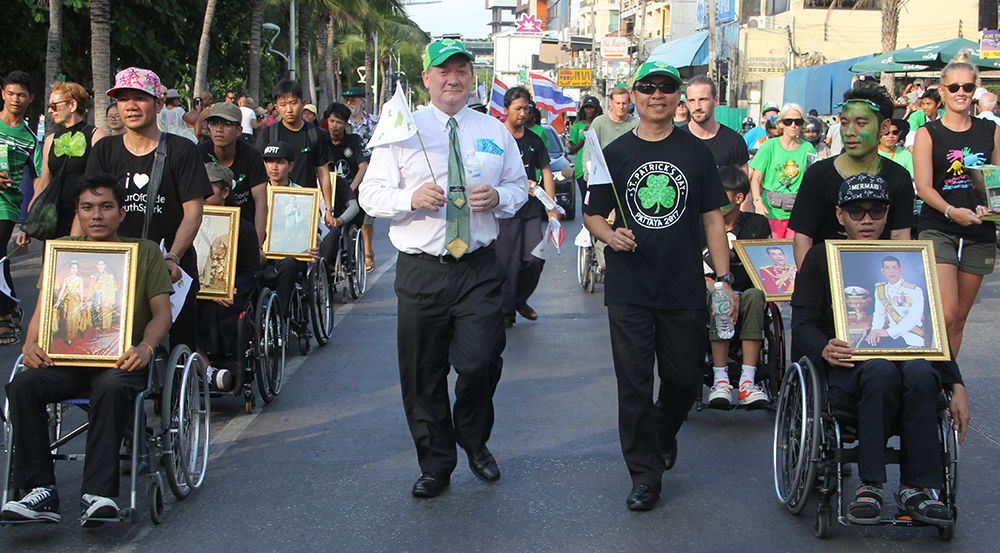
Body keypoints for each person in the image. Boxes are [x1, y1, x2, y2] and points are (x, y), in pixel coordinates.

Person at [358, 39, 527, 498]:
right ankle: (435, 463)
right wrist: (407, 199)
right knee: (422, 372)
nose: (453, 79)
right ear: (426, 79)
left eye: (461, 70)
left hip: (477, 268)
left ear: (472, 78)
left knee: (480, 362)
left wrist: (499, 197)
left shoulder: (494, 131)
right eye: (443, 71)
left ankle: (473, 438)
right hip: (421, 270)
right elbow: (369, 195)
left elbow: (519, 188)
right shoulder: (400, 130)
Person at [583, 61, 736, 511]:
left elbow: (713, 218)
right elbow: (592, 213)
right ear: (635, 94)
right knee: (633, 384)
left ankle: (662, 433)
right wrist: (611, 235)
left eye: (667, 88)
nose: (657, 95)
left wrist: (723, 280)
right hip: (630, 284)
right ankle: (645, 475)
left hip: (683, 284)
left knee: (684, 381)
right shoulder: (614, 152)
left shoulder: (695, 153)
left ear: (678, 98)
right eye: (648, 87)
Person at [790, 173, 969, 527]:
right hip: (850, 370)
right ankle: (869, 484)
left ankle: (915, 488)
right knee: (880, 370)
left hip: (907, 362)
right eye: (857, 212)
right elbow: (803, 324)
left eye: (876, 211)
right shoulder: (819, 258)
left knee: (920, 372)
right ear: (840, 215)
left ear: (888, 214)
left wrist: (957, 384)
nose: (867, 220)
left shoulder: (909, 258)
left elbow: (932, 326)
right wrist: (824, 347)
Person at [1, 173, 173, 526]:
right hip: (67, 360)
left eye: (106, 207)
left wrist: (144, 347)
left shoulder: (144, 252)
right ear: (77, 213)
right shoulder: (63, 251)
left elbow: (162, 314)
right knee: (23, 386)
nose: (97, 216)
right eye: (87, 208)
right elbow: (42, 312)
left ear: (121, 213)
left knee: (110, 388)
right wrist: (31, 345)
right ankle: (39, 490)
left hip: (120, 362)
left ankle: (98, 493)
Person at [86, 67, 213, 353]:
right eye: (123, 99)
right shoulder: (104, 150)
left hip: (171, 268)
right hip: (116, 267)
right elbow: (86, 210)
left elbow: (193, 212)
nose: (130, 106)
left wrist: (174, 257)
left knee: (182, 346)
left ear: (158, 103)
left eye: (140, 98)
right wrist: (79, 254)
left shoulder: (183, 150)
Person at [913, 54, 1000, 356]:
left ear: (976, 89)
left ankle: (949, 385)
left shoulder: (990, 130)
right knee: (945, 313)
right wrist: (951, 211)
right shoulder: (928, 133)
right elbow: (923, 186)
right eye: (954, 87)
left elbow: (996, 182)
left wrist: (993, 206)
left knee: (960, 318)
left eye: (967, 86)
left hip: (979, 229)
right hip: (940, 226)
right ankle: (930, 377)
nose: (961, 92)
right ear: (942, 90)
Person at [789, 87, 915, 267]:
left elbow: (901, 237)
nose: (849, 132)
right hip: (826, 277)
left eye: (861, 123)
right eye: (845, 123)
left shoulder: (898, 177)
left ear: (885, 126)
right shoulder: (817, 175)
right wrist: (810, 282)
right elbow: (803, 237)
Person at [704, 166, 771, 408]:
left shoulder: (757, 225)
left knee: (754, 296)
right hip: (710, 292)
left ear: (739, 197)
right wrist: (719, 288)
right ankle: (720, 380)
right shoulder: (702, 225)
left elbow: (767, 265)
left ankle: (747, 382)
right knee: (721, 296)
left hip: (749, 293)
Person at [194, 162, 265, 392]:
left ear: (225, 192)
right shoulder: (186, 223)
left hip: (230, 290)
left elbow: (252, 271)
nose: (202, 195)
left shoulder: (242, 229)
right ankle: (205, 369)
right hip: (195, 289)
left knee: (223, 310)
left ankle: (215, 368)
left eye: (209, 189)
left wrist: (230, 287)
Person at [496, 86, 558, 327]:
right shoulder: (497, 138)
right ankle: (505, 312)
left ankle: (519, 299)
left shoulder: (534, 140)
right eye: (518, 108)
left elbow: (546, 171)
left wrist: (551, 207)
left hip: (531, 209)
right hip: (504, 210)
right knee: (507, 264)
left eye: (526, 108)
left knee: (536, 257)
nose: (523, 113)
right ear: (506, 109)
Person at [19, 80, 107, 243]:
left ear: (72, 105)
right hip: (55, 213)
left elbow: (103, 182)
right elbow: (43, 182)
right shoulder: (51, 140)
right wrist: (28, 222)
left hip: (86, 215)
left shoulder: (96, 135)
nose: (50, 110)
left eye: (54, 106)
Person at [255, 80, 334, 234]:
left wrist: (329, 209)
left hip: (306, 207)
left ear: (302, 103)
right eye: (283, 105)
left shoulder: (314, 134)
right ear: (276, 107)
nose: (289, 109)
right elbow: (258, 173)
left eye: (293, 103)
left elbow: (323, 173)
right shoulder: (269, 134)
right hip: (274, 207)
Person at [0, 71, 42, 346]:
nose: (16, 99)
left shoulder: (29, 139)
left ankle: (4, 315)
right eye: (11, 93)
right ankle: (11, 307)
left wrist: (33, 219)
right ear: (3, 93)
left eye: (22, 95)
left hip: (6, 206)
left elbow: (40, 180)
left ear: (30, 99)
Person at [198, 102, 268, 244]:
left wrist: (257, 245)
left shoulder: (251, 155)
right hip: (203, 229)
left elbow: (260, 202)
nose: (219, 129)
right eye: (214, 123)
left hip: (244, 230)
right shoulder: (199, 153)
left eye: (226, 124)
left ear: (239, 130)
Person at [749, 103, 815, 238]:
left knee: (794, 253)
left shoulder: (808, 148)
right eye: (788, 121)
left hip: (797, 212)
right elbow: (755, 177)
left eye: (798, 122)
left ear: (803, 124)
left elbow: (812, 181)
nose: (793, 125)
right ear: (781, 124)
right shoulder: (769, 146)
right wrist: (757, 202)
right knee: (772, 253)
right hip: (771, 211)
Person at [324, 102, 374, 271]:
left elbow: (363, 167)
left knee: (353, 222)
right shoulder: (322, 140)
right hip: (328, 194)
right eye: (331, 121)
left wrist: (351, 188)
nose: (334, 126)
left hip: (350, 193)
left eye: (338, 122)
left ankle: (355, 258)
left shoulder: (353, 140)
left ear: (346, 124)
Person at [684, 75, 749, 172]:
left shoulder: (734, 142)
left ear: (716, 100)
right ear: (687, 103)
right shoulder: (675, 140)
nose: (697, 107)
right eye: (692, 100)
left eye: (703, 99)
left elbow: (742, 185)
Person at [578, 87, 638, 184]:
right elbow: (589, 151)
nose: (621, 107)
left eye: (624, 103)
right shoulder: (599, 122)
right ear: (611, 103)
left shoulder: (636, 123)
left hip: (628, 177)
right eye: (618, 103)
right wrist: (590, 176)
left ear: (629, 104)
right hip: (603, 177)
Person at [865, 256, 926, 348]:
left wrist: (888, 332)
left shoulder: (914, 290)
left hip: (912, 335)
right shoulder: (881, 289)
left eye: (894, 267)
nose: (891, 271)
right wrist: (875, 331)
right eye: (887, 268)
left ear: (900, 270)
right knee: (866, 347)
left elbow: (913, 318)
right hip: (891, 334)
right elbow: (879, 314)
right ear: (883, 271)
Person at [568, 96, 602, 204]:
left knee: (598, 199)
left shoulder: (600, 123)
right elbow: (572, 149)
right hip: (581, 168)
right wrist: (585, 139)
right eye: (586, 107)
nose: (589, 110)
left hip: (599, 166)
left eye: (591, 108)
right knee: (586, 199)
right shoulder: (577, 125)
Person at [53, 260, 89, 345]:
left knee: (73, 319)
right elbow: (62, 291)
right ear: (69, 269)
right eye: (72, 268)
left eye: (76, 268)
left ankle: (71, 337)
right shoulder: (66, 279)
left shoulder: (79, 279)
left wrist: (81, 303)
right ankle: (66, 335)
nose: (74, 270)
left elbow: (81, 292)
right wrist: (57, 302)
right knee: (66, 319)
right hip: (67, 301)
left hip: (75, 301)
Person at [341, 86, 379, 157]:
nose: (348, 103)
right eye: (346, 101)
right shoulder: (341, 122)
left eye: (352, 101)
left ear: (363, 103)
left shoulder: (375, 122)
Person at [90, 258, 117, 338]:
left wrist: (108, 302)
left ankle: (104, 339)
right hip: (96, 301)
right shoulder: (94, 277)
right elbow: (91, 289)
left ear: (104, 266)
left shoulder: (109, 277)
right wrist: (89, 300)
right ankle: (96, 336)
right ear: (96, 266)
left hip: (104, 301)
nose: (100, 266)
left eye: (102, 264)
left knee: (104, 320)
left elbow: (111, 291)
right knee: (96, 320)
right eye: (99, 264)